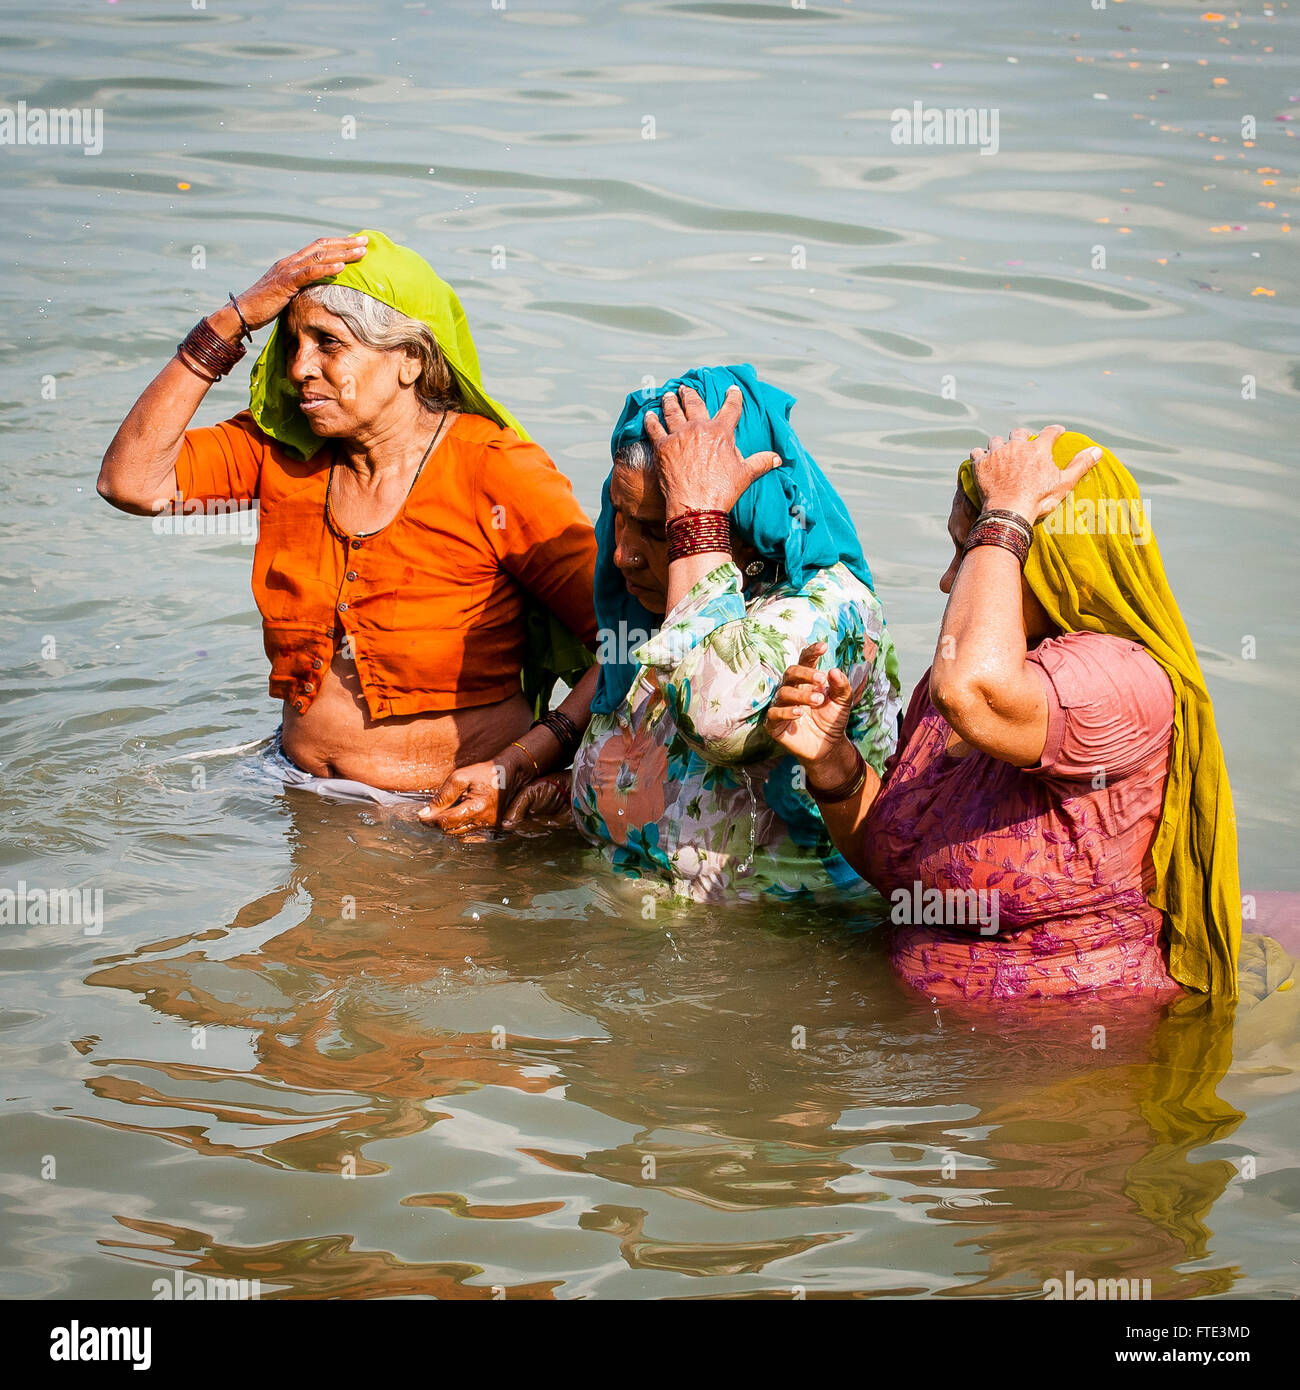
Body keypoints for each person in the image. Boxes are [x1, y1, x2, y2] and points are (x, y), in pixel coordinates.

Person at [98, 230, 599, 832]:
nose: (299, 368)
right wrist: (234, 319)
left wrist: (520, 764)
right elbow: (131, 483)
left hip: (452, 815)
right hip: (293, 789)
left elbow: (627, 639)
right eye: (291, 342)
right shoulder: (281, 451)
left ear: (410, 359)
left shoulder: (496, 469)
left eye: (328, 343)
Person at [766, 425, 1241, 1001]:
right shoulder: (961, 682)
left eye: (969, 553)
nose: (949, 581)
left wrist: (1009, 509)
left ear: (1056, 558)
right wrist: (834, 764)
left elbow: (974, 690)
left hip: (1073, 1060)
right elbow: (900, 868)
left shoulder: (1121, 680)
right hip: (935, 1051)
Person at [504, 366, 901, 902]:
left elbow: (718, 719)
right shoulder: (657, 605)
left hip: (778, 948)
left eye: (656, 529)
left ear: (740, 522)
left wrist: (694, 517)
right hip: (640, 940)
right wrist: (579, 798)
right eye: (620, 516)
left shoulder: (829, 609)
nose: (622, 554)